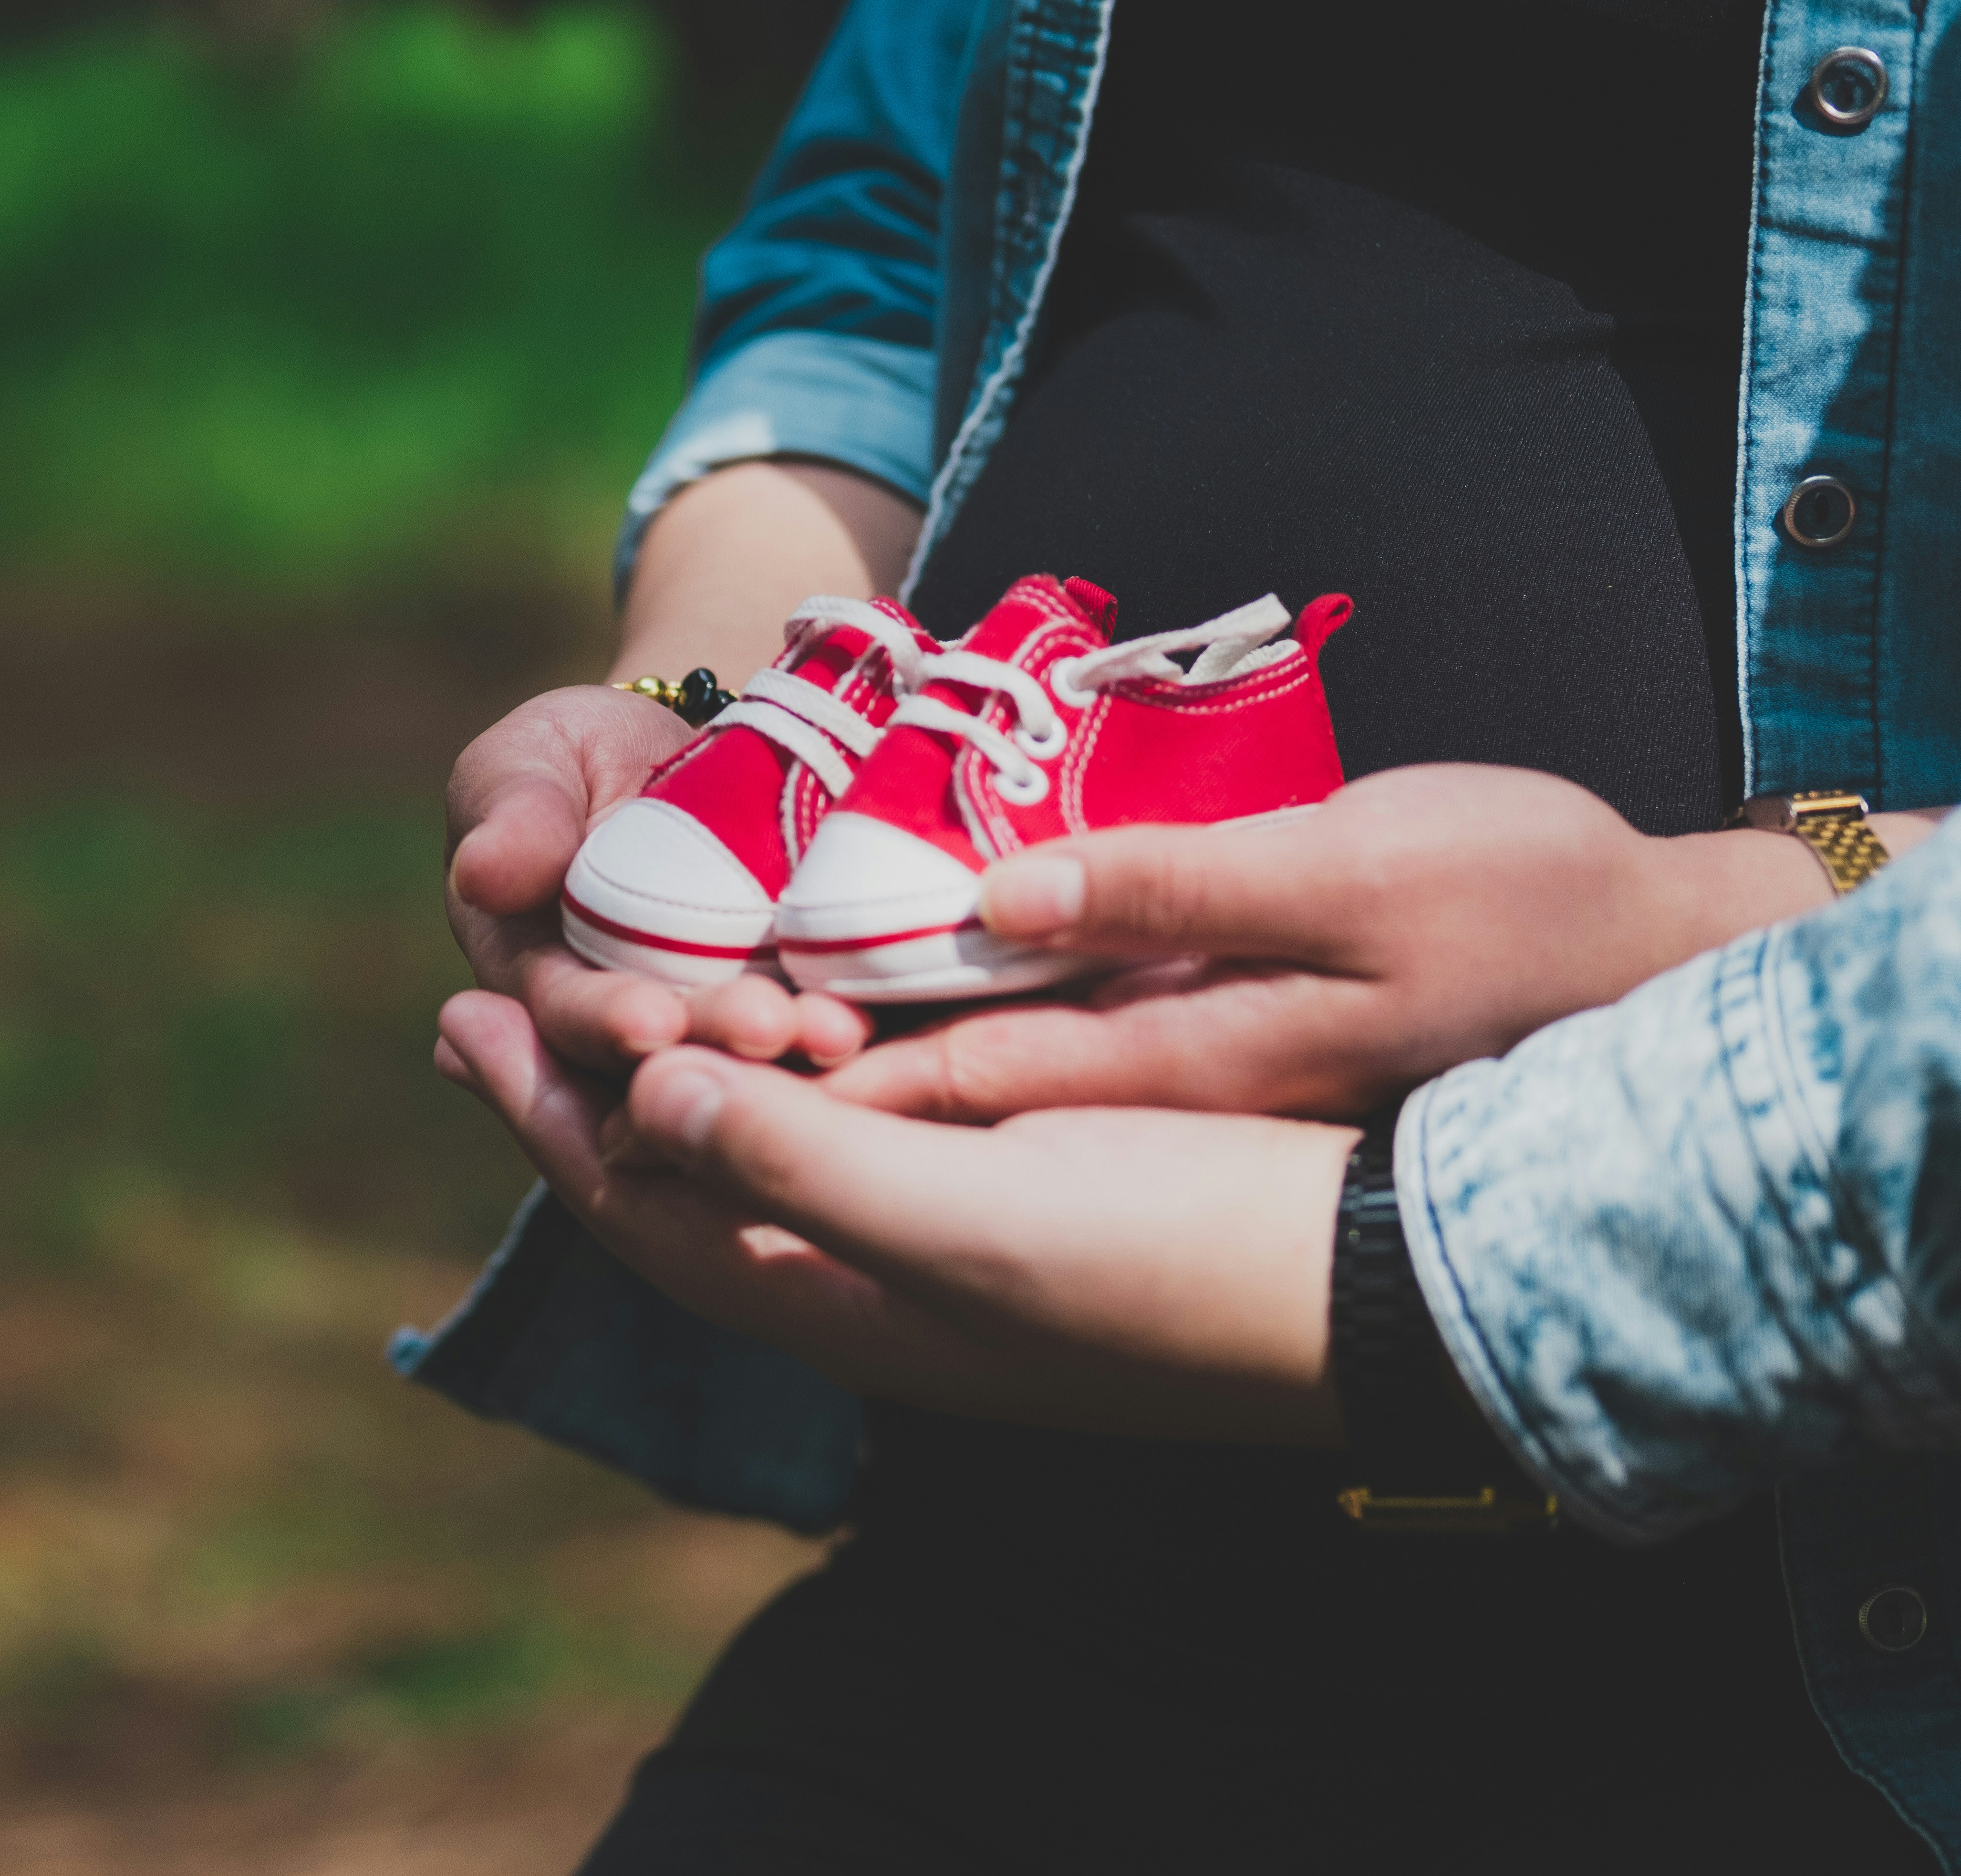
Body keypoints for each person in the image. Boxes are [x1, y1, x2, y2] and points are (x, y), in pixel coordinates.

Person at [409, 0, 1961, 1866]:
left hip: (1813, 1651)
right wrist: (742, 706)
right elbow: (878, 255)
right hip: (1012, 1568)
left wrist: (1708, 906)